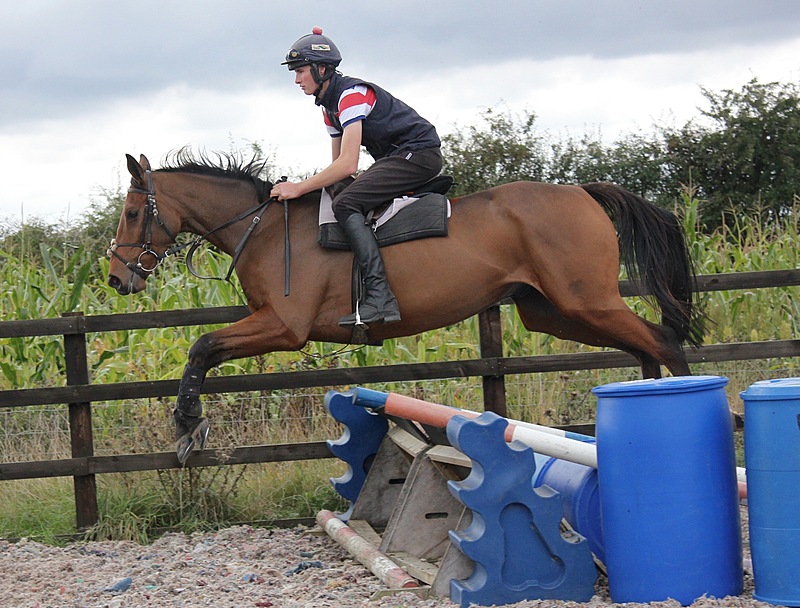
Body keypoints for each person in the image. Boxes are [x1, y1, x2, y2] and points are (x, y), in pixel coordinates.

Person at [269, 27, 442, 328]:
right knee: (339, 191)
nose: (297, 80)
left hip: (419, 154)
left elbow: (348, 164)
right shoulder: (329, 108)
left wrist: (298, 188)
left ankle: (380, 297)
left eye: (301, 71)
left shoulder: (351, 95)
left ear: (322, 69)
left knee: (346, 203)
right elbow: (336, 167)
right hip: (396, 157)